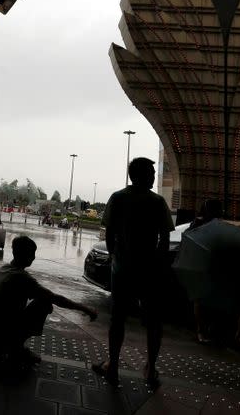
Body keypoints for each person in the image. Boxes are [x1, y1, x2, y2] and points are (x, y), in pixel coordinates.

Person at [92, 157, 174, 389]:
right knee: (153, 321)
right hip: (149, 271)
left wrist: (114, 256)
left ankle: (114, 365)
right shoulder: (157, 202)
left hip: (122, 269)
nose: (154, 175)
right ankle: (150, 369)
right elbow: (165, 238)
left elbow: (108, 233)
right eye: (151, 171)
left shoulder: (118, 198)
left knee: (118, 319)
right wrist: (158, 263)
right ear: (140, 175)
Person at [0, 235, 97, 368]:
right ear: (25, 255)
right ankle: (15, 347)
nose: (34, 257)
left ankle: (8, 345)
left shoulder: (4, 269)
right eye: (32, 254)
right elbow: (56, 299)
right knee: (44, 303)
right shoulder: (21, 277)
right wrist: (85, 309)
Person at [187, 199, 222, 344]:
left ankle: (206, 330)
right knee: (200, 301)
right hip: (201, 266)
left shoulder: (216, 224)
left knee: (207, 300)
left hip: (211, 266)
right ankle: (201, 330)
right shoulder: (199, 223)